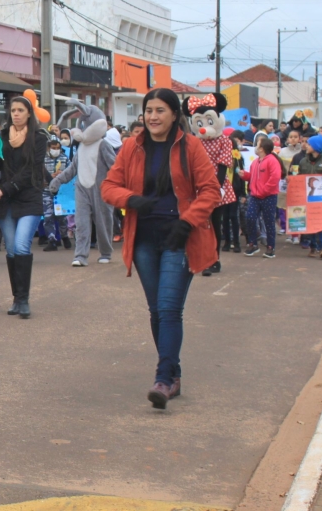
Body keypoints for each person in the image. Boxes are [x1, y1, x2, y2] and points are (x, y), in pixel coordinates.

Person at [101, 88, 221, 409]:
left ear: (173, 115)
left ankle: (164, 378)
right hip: (143, 239)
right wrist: (131, 200)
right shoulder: (131, 147)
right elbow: (108, 187)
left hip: (179, 239)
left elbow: (211, 191)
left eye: (160, 111)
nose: (152, 117)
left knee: (169, 308)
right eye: (148, 111)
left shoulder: (191, 147)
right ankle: (174, 373)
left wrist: (188, 221)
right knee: (156, 311)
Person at [0, 96, 47, 319]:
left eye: (20, 110)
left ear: (29, 113)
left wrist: (6, 188)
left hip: (29, 197)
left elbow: (31, 170)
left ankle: (24, 301)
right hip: (6, 201)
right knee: (12, 249)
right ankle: (16, 298)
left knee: (22, 246)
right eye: (13, 110)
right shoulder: (1, 137)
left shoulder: (39, 138)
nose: (16, 114)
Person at [242, 137, 282, 258]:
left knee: (269, 221)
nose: (255, 147)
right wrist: (245, 175)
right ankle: (253, 243)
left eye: (258, 145)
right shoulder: (255, 162)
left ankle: (270, 247)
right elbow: (253, 177)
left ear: (263, 148)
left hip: (268, 196)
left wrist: (265, 190)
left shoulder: (272, 161)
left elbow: (275, 177)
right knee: (250, 217)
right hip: (255, 195)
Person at [297, 135, 322, 258]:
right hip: (307, 198)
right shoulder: (303, 162)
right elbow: (299, 178)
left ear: (316, 147)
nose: (306, 146)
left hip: (321, 198)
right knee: (311, 222)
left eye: (309, 144)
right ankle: (313, 247)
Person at [41, 137, 70, 252]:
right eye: (53, 148)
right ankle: (51, 240)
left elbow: (71, 174)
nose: (56, 150)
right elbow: (38, 175)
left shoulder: (65, 159)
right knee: (48, 217)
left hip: (61, 193)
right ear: (49, 148)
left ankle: (64, 236)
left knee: (62, 217)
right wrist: (47, 178)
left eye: (58, 148)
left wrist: (62, 175)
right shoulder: (42, 160)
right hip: (46, 192)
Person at [222, 130, 246, 253]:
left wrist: (243, 193)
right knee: (225, 217)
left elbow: (241, 175)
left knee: (233, 215)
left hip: (234, 189)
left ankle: (236, 242)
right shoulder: (221, 156)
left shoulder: (238, 157)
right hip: (224, 190)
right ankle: (227, 241)